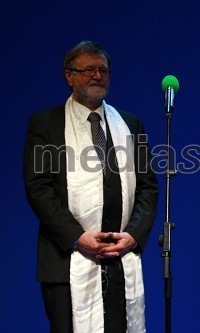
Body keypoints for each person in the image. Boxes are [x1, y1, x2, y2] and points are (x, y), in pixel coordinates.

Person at [23, 40, 158, 333]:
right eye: (88, 70)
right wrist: (77, 236)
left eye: (103, 70)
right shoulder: (46, 123)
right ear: (69, 76)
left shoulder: (130, 124)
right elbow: (39, 188)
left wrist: (133, 235)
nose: (97, 76)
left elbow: (148, 187)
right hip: (67, 258)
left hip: (119, 258)